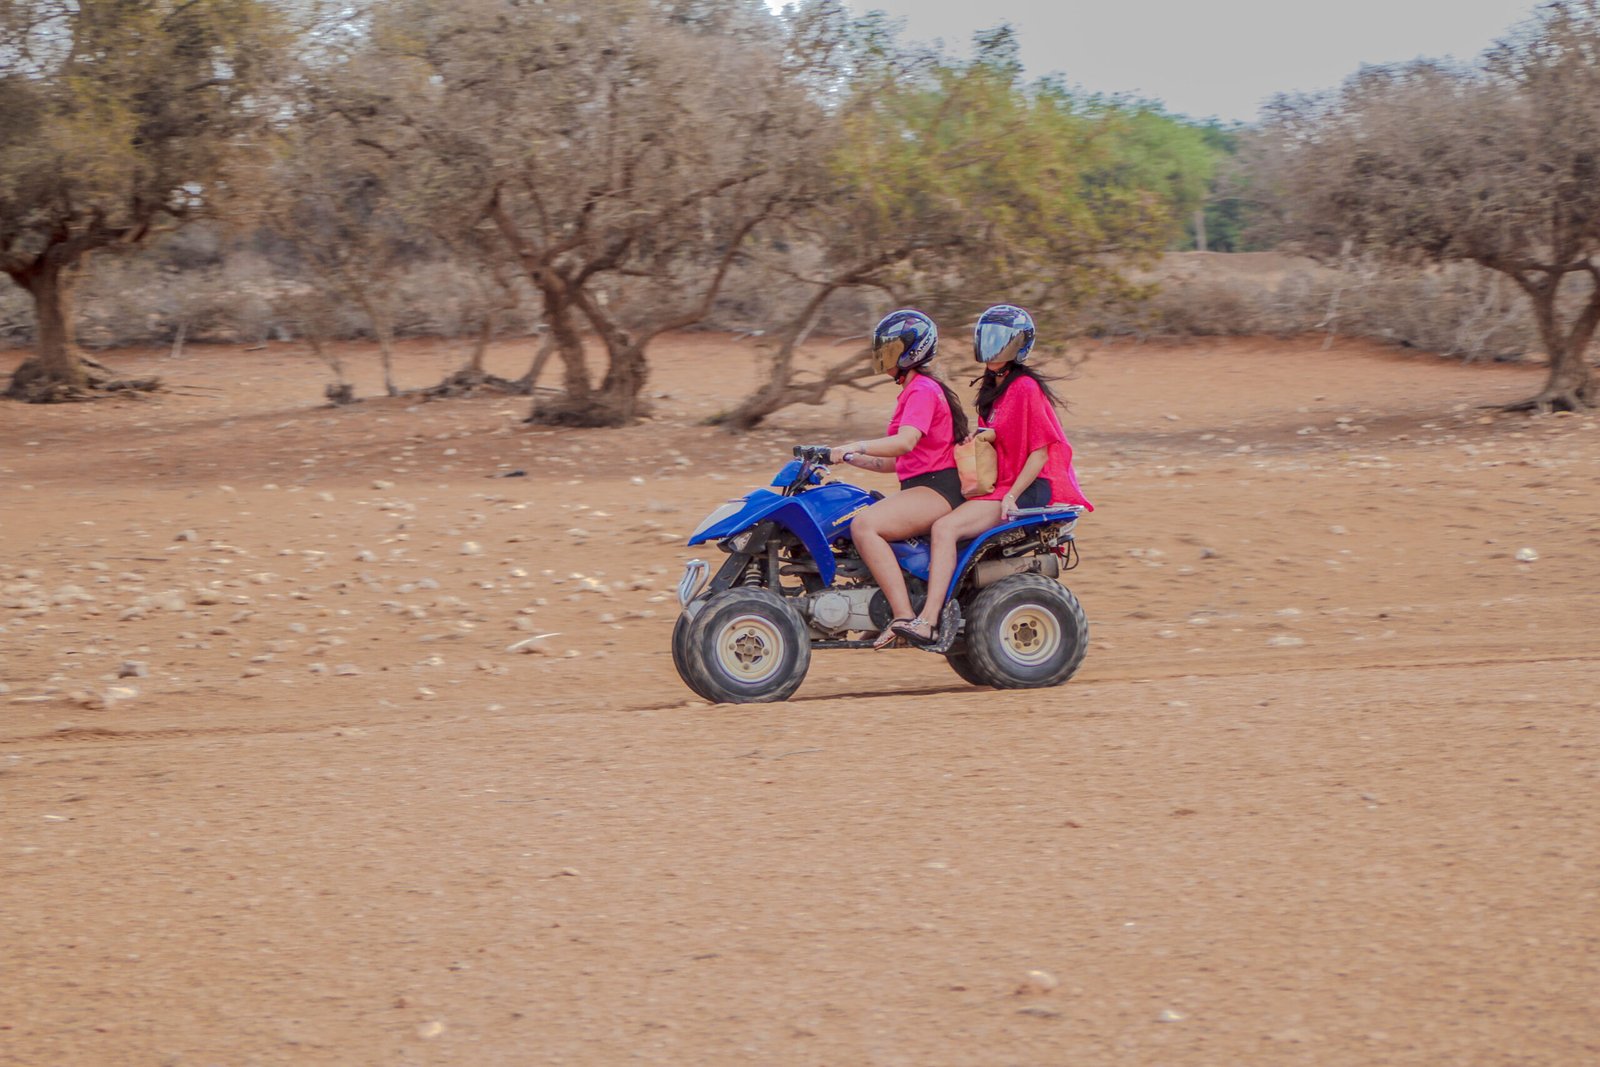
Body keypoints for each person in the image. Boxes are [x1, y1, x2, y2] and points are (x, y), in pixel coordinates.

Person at [891, 304, 1092, 646]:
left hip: (1027, 487)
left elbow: (1040, 452)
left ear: (1019, 345)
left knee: (945, 528)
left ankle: (927, 621)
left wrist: (1012, 495)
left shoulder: (1025, 387)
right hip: (1001, 485)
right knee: (940, 527)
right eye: (988, 337)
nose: (992, 346)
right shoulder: (993, 387)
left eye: (1001, 339)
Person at [826, 309, 971, 649]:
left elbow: (904, 443)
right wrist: (845, 456)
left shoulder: (922, 390)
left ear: (912, 352)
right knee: (855, 519)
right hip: (923, 485)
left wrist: (855, 445)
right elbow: (896, 461)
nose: (883, 356)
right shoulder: (913, 390)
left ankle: (904, 617)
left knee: (865, 525)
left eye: (890, 349)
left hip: (938, 488)